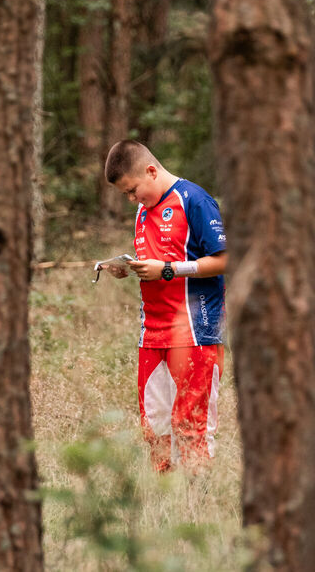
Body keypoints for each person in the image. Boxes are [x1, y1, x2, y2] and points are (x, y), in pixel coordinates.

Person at [100, 140, 228, 472]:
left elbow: (225, 259)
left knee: (191, 427)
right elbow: (156, 263)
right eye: (126, 195)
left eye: (132, 190)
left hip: (195, 332)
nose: (132, 200)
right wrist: (125, 268)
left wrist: (169, 269)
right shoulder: (144, 211)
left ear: (152, 171)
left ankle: (197, 509)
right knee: (154, 427)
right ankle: (164, 508)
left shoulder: (194, 200)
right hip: (152, 335)